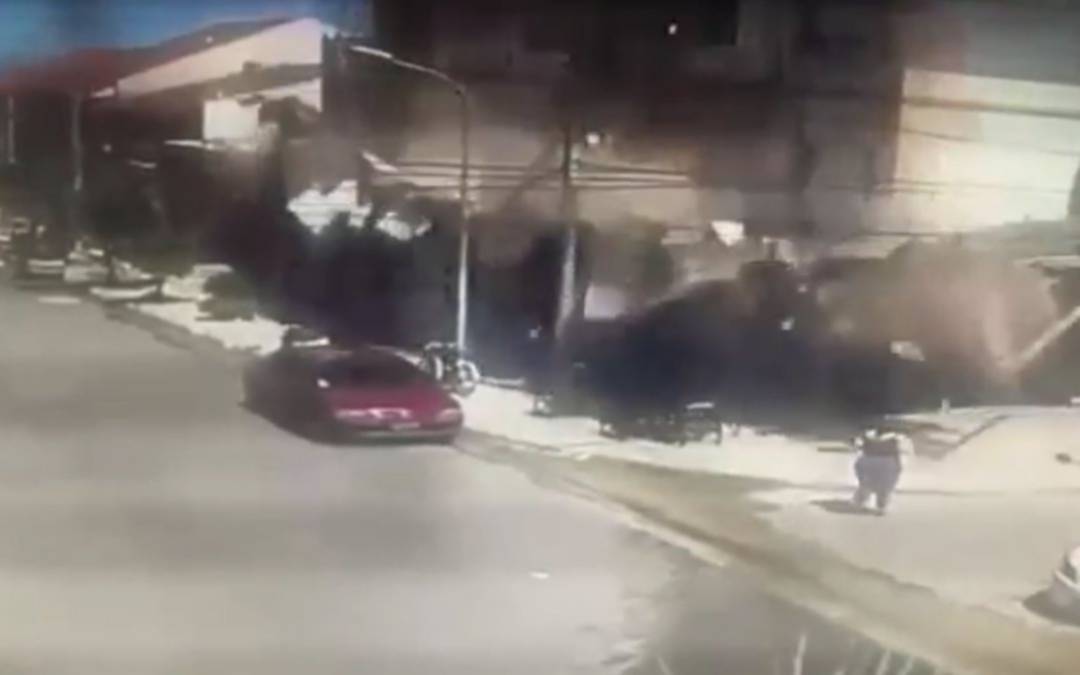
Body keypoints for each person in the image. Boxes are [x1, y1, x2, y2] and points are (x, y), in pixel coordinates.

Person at [852, 426, 913, 515]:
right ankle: (881, 506)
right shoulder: (897, 438)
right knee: (884, 488)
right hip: (887, 463)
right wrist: (898, 466)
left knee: (866, 484)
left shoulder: (865, 435)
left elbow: (856, 447)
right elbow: (902, 451)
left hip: (868, 461)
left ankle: (860, 502)